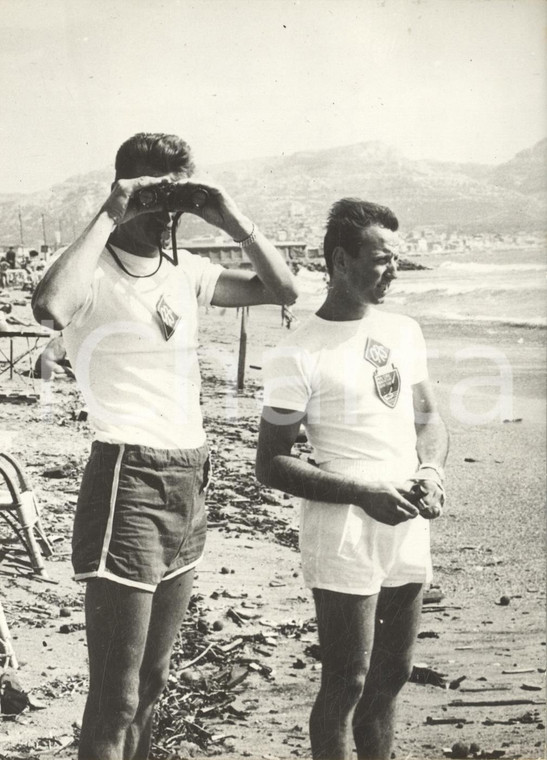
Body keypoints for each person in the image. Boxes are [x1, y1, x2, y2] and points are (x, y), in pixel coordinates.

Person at [32, 132, 298, 760]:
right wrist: (114, 207)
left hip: (189, 477)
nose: (164, 216)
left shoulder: (188, 273)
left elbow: (283, 290)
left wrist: (227, 211)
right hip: (127, 476)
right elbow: (48, 307)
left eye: (172, 203)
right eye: (153, 199)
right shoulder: (92, 272)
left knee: (152, 688)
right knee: (116, 699)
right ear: (126, 190)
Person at [256, 198, 448, 760]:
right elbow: (270, 463)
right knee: (347, 680)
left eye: (396, 258)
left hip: (406, 518)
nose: (393, 270)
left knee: (393, 675)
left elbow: (428, 420)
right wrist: (362, 494)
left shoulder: (404, 331)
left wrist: (431, 470)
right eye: (381, 258)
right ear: (340, 260)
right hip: (342, 526)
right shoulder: (297, 352)